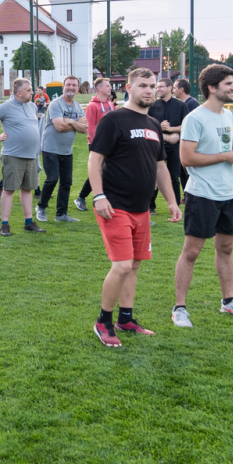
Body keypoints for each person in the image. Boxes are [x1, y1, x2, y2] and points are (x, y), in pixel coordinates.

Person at [87, 68, 181, 348]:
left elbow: (160, 166)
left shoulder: (153, 123)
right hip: (115, 205)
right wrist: (98, 196)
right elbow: (94, 160)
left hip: (141, 209)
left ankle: (125, 319)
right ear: (128, 88)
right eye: (142, 85)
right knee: (122, 265)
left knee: (135, 265)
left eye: (152, 86)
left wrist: (171, 201)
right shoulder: (113, 120)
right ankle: (103, 322)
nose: (149, 90)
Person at [172, 64, 233, 328]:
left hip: (230, 191)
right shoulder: (194, 118)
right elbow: (186, 158)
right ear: (211, 87)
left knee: (226, 248)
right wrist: (225, 156)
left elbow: (230, 148)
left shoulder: (228, 115)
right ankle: (179, 308)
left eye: (232, 83)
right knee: (191, 252)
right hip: (203, 193)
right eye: (228, 83)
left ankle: (228, 301)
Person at [0, 78, 46, 236]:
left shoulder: (32, 106)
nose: (32, 92)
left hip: (31, 156)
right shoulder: (7, 106)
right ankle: (4, 225)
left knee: (27, 189)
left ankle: (29, 222)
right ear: (19, 93)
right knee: (9, 189)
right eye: (29, 90)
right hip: (13, 155)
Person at [35, 76, 88, 224]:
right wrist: (75, 122)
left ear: (78, 88)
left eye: (74, 85)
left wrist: (69, 121)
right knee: (52, 179)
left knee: (66, 182)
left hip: (66, 150)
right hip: (50, 148)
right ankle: (41, 207)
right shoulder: (55, 104)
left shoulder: (77, 106)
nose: (71, 87)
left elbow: (84, 129)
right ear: (63, 87)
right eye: (68, 85)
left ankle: (61, 214)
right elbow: (59, 126)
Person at [74, 77, 115, 212]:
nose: (110, 88)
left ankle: (101, 198)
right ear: (99, 89)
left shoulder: (110, 104)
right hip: (97, 144)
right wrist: (96, 145)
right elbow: (90, 127)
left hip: (112, 144)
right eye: (107, 86)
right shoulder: (92, 106)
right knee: (98, 171)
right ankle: (81, 197)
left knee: (108, 172)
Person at [147, 78, 186, 214]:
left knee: (174, 177)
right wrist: (160, 127)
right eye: (157, 87)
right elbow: (146, 126)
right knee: (154, 177)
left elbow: (186, 126)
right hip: (156, 146)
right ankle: (150, 206)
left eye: (161, 86)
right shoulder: (152, 106)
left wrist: (171, 129)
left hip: (175, 147)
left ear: (170, 88)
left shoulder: (180, 106)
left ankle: (175, 206)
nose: (158, 89)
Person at [173, 78, 201, 202]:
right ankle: (186, 195)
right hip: (180, 144)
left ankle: (192, 196)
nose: (173, 90)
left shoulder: (192, 104)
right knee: (182, 172)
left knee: (189, 172)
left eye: (175, 88)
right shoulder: (179, 104)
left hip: (191, 145)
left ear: (181, 89)